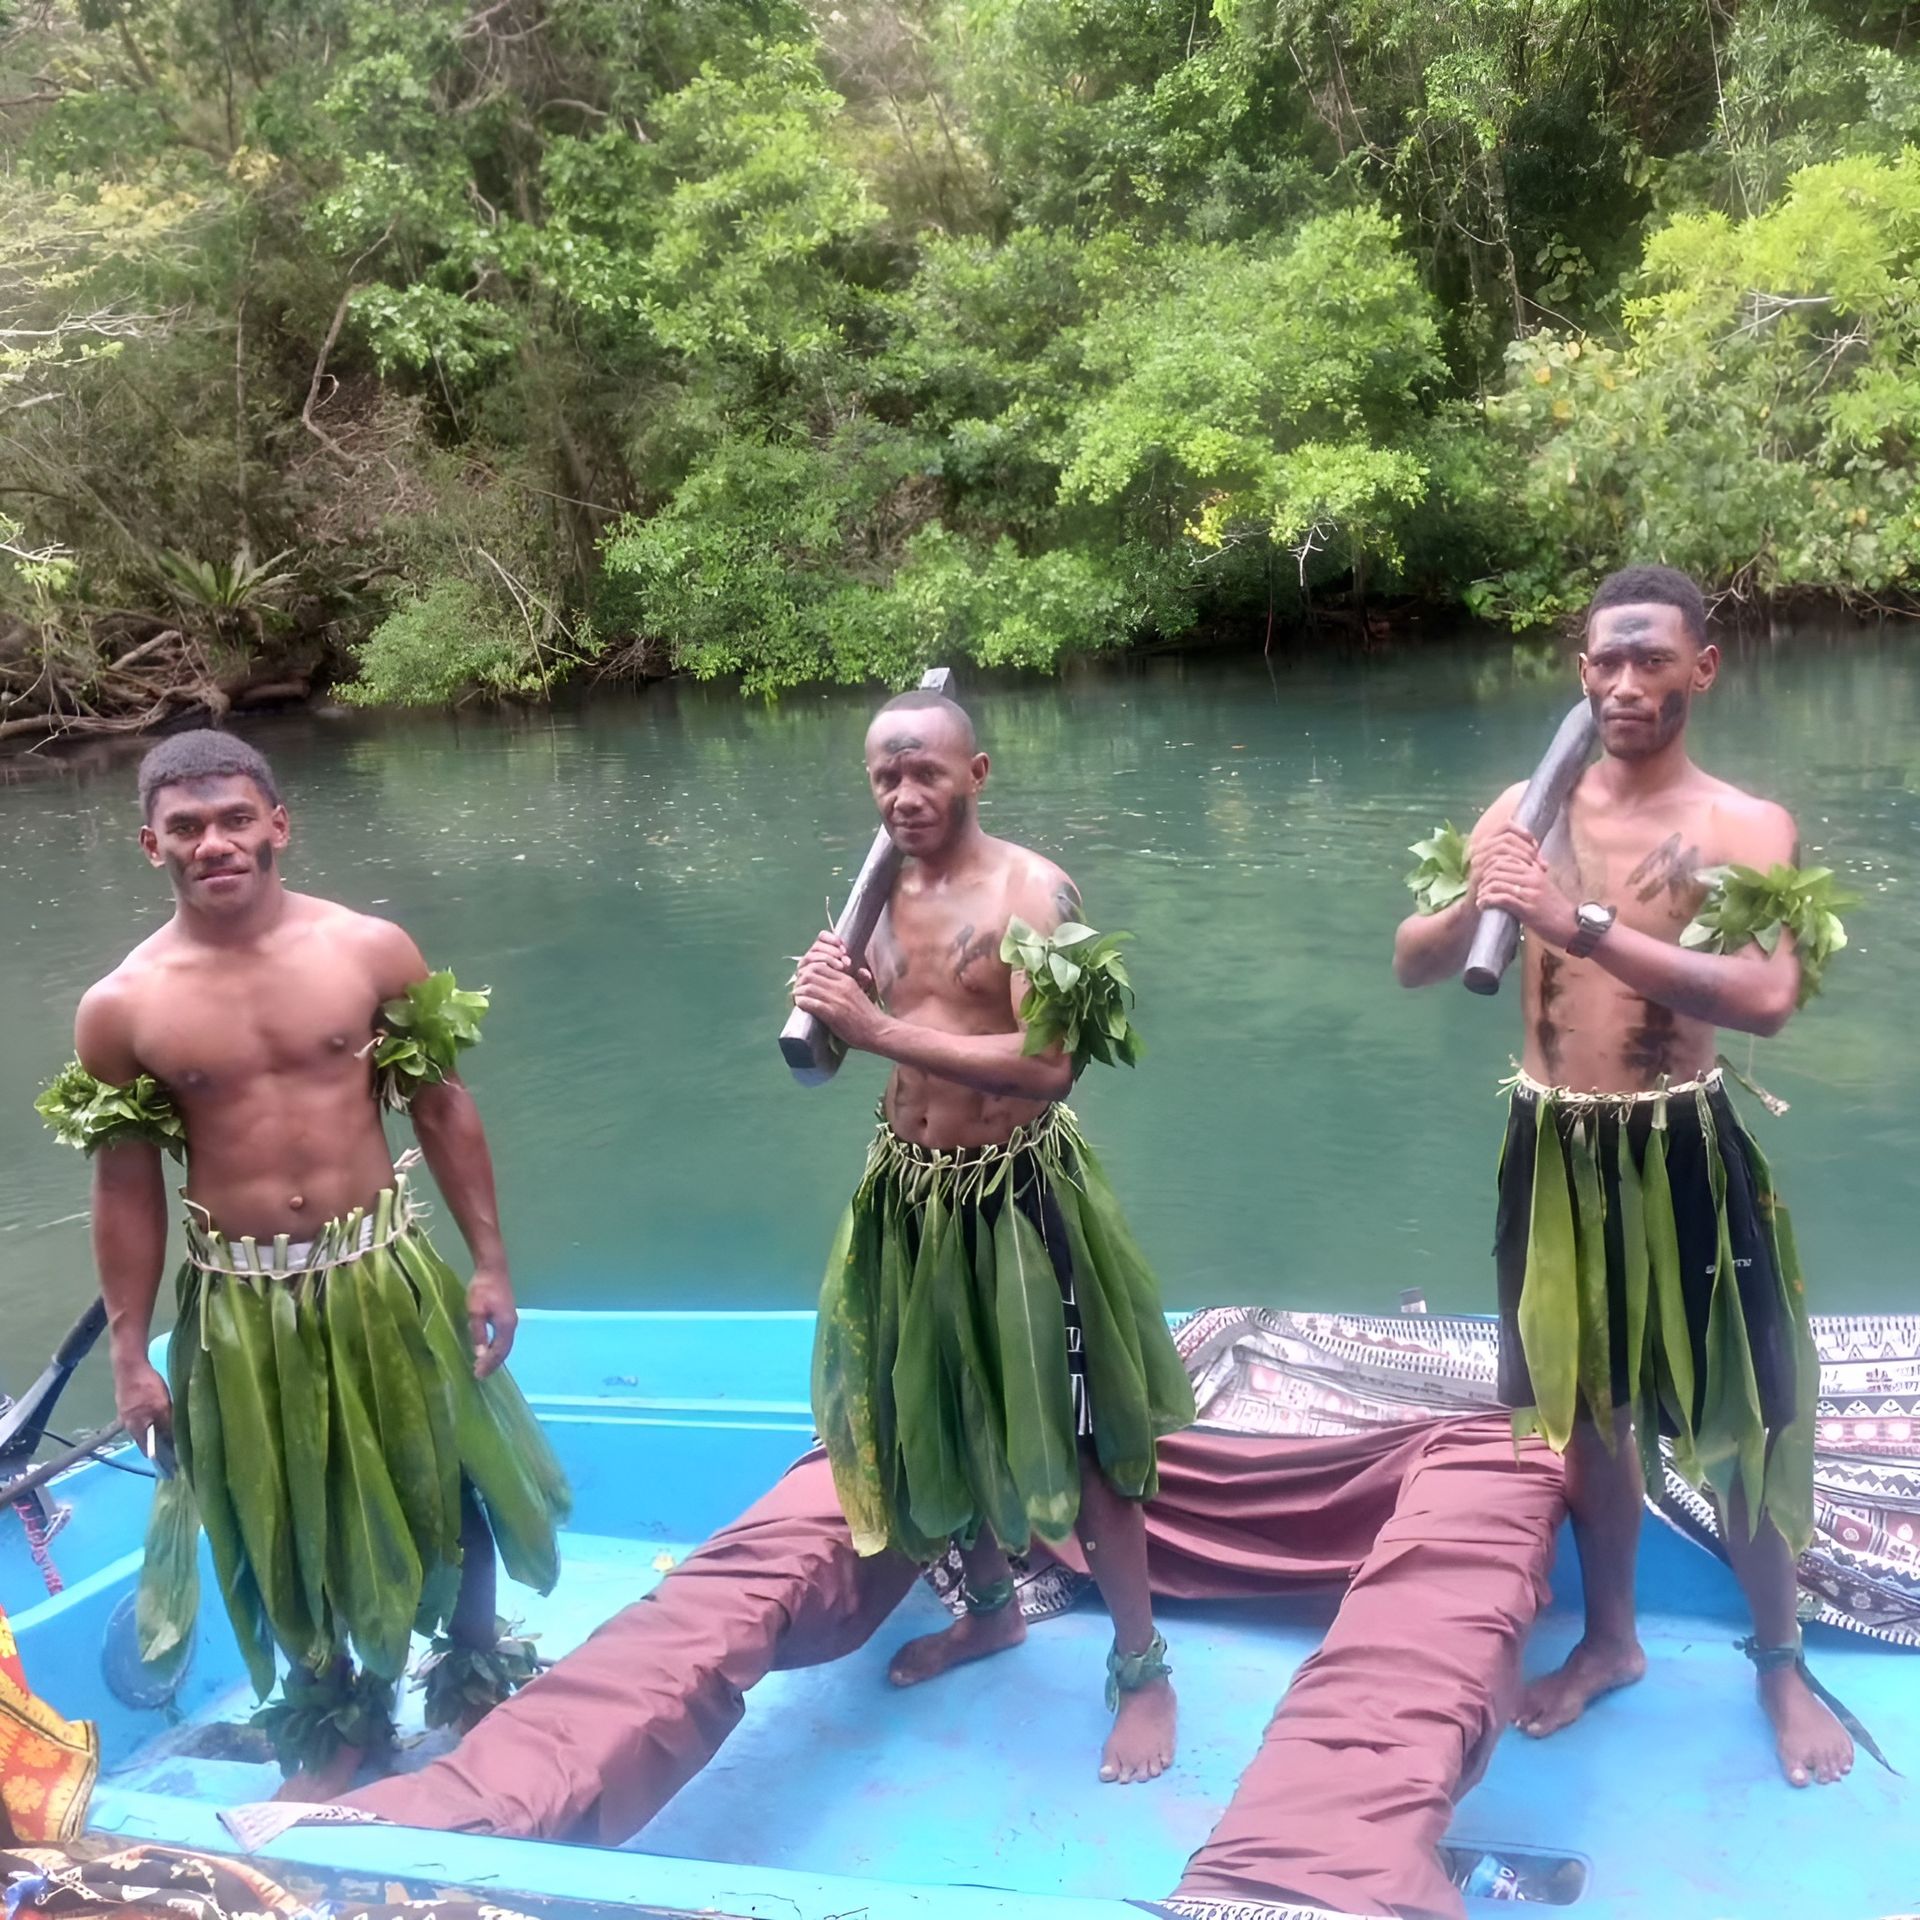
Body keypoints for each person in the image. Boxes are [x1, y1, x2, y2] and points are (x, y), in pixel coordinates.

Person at [38, 730, 569, 1798]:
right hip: (239, 1302)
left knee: (449, 1475)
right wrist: (133, 1350)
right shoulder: (122, 1006)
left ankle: (470, 1691)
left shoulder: (369, 951)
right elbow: (125, 1186)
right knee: (290, 1504)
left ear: (279, 822)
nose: (215, 843)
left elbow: (443, 1106)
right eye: (187, 828)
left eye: (236, 818)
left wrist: (492, 1264)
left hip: (380, 1268)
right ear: (153, 844)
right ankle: (341, 1729)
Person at [1392, 566, 1851, 1788]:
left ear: (1704, 667)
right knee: (1588, 1415)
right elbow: (1412, 963)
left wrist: (1574, 917)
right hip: (1553, 1149)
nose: (1625, 683)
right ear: (1581, 671)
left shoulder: (1747, 829)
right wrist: (1485, 893)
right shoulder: (1526, 806)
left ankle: (1778, 1653)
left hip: (1680, 1142)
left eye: (1653, 660)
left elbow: (1767, 998)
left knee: (1743, 1412)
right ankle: (1610, 1642)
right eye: (1606, 661)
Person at [790, 690, 1196, 1784]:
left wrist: (877, 1027)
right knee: (930, 1403)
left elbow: (1053, 1067)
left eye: (926, 772)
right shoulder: (871, 889)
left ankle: (1141, 1666)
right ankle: (992, 1611)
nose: (905, 795)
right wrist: (837, 1008)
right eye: (885, 776)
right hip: (907, 1192)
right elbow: (844, 1044)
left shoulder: (1033, 890)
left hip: (1019, 1198)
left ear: (978, 771)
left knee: (1085, 1437)